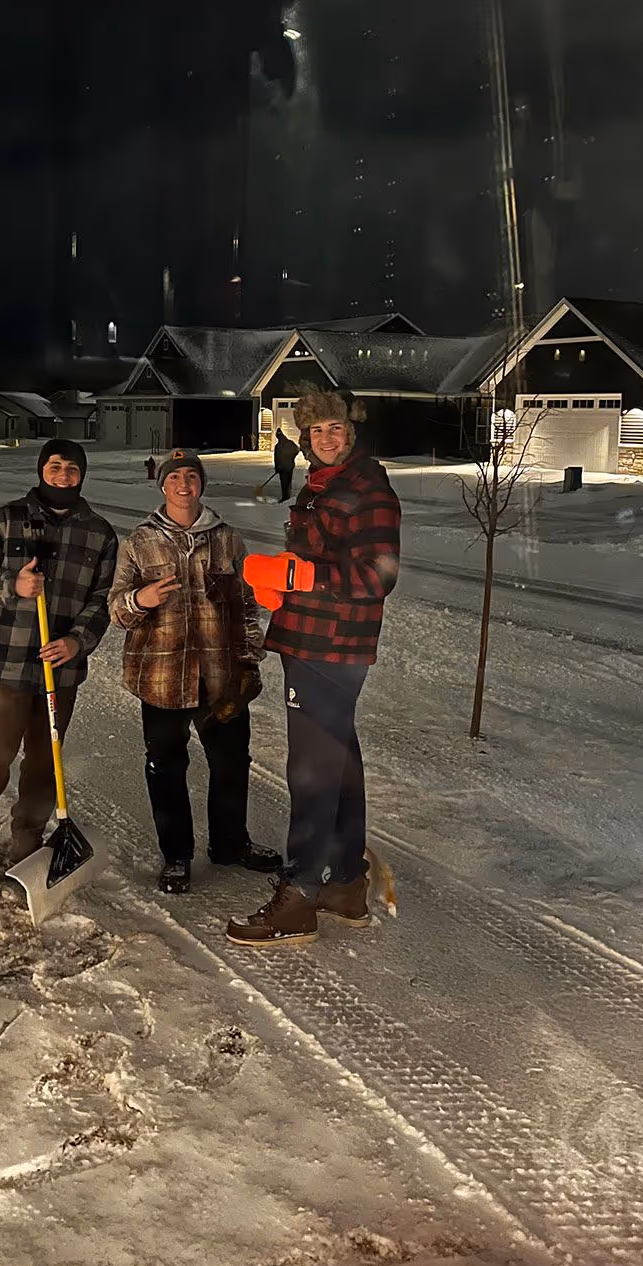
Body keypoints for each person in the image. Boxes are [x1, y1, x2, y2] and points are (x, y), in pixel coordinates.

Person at [228, 393, 401, 946]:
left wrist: (302, 579)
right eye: (317, 430)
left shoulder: (367, 489)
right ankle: (346, 885)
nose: (327, 437)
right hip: (311, 640)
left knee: (312, 773)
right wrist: (281, 582)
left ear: (351, 430)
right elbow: (320, 559)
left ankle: (299, 896)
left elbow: (377, 575)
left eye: (335, 427)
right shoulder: (322, 484)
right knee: (339, 765)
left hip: (335, 648)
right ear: (304, 437)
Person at [0, 439, 118, 900]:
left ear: (82, 475)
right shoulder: (5, 519)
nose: (62, 475)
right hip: (6, 659)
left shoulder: (99, 533)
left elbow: (102, 600)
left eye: (71, 469)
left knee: (45, 764)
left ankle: (28, 848)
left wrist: (75, 641)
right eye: (55, 466)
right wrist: (11, 583)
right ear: (42, 469)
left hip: (59, 668)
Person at [109, 448, 280, 894]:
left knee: (230, 765)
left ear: (201, 484)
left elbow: (246, 607)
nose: (183, 485)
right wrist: (140, 600)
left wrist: (249, 664)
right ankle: (176, 856)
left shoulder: (227, 539)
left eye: (191, 476)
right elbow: (116, 610)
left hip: (219, 677)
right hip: (161, 679)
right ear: (162, 485)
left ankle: (229, 844)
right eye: (174, 477)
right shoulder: (138, 542)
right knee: (166, 767)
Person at [273, 426, 299, 503]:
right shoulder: (289, 443)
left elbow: (276, 459)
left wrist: (277, 468)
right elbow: (296, 450)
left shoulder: (279, 446)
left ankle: (285, 497)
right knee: (287, 482)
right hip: (287, 467)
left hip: (283, 468)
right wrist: (291, 458)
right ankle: (287, 496)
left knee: (284, 483)